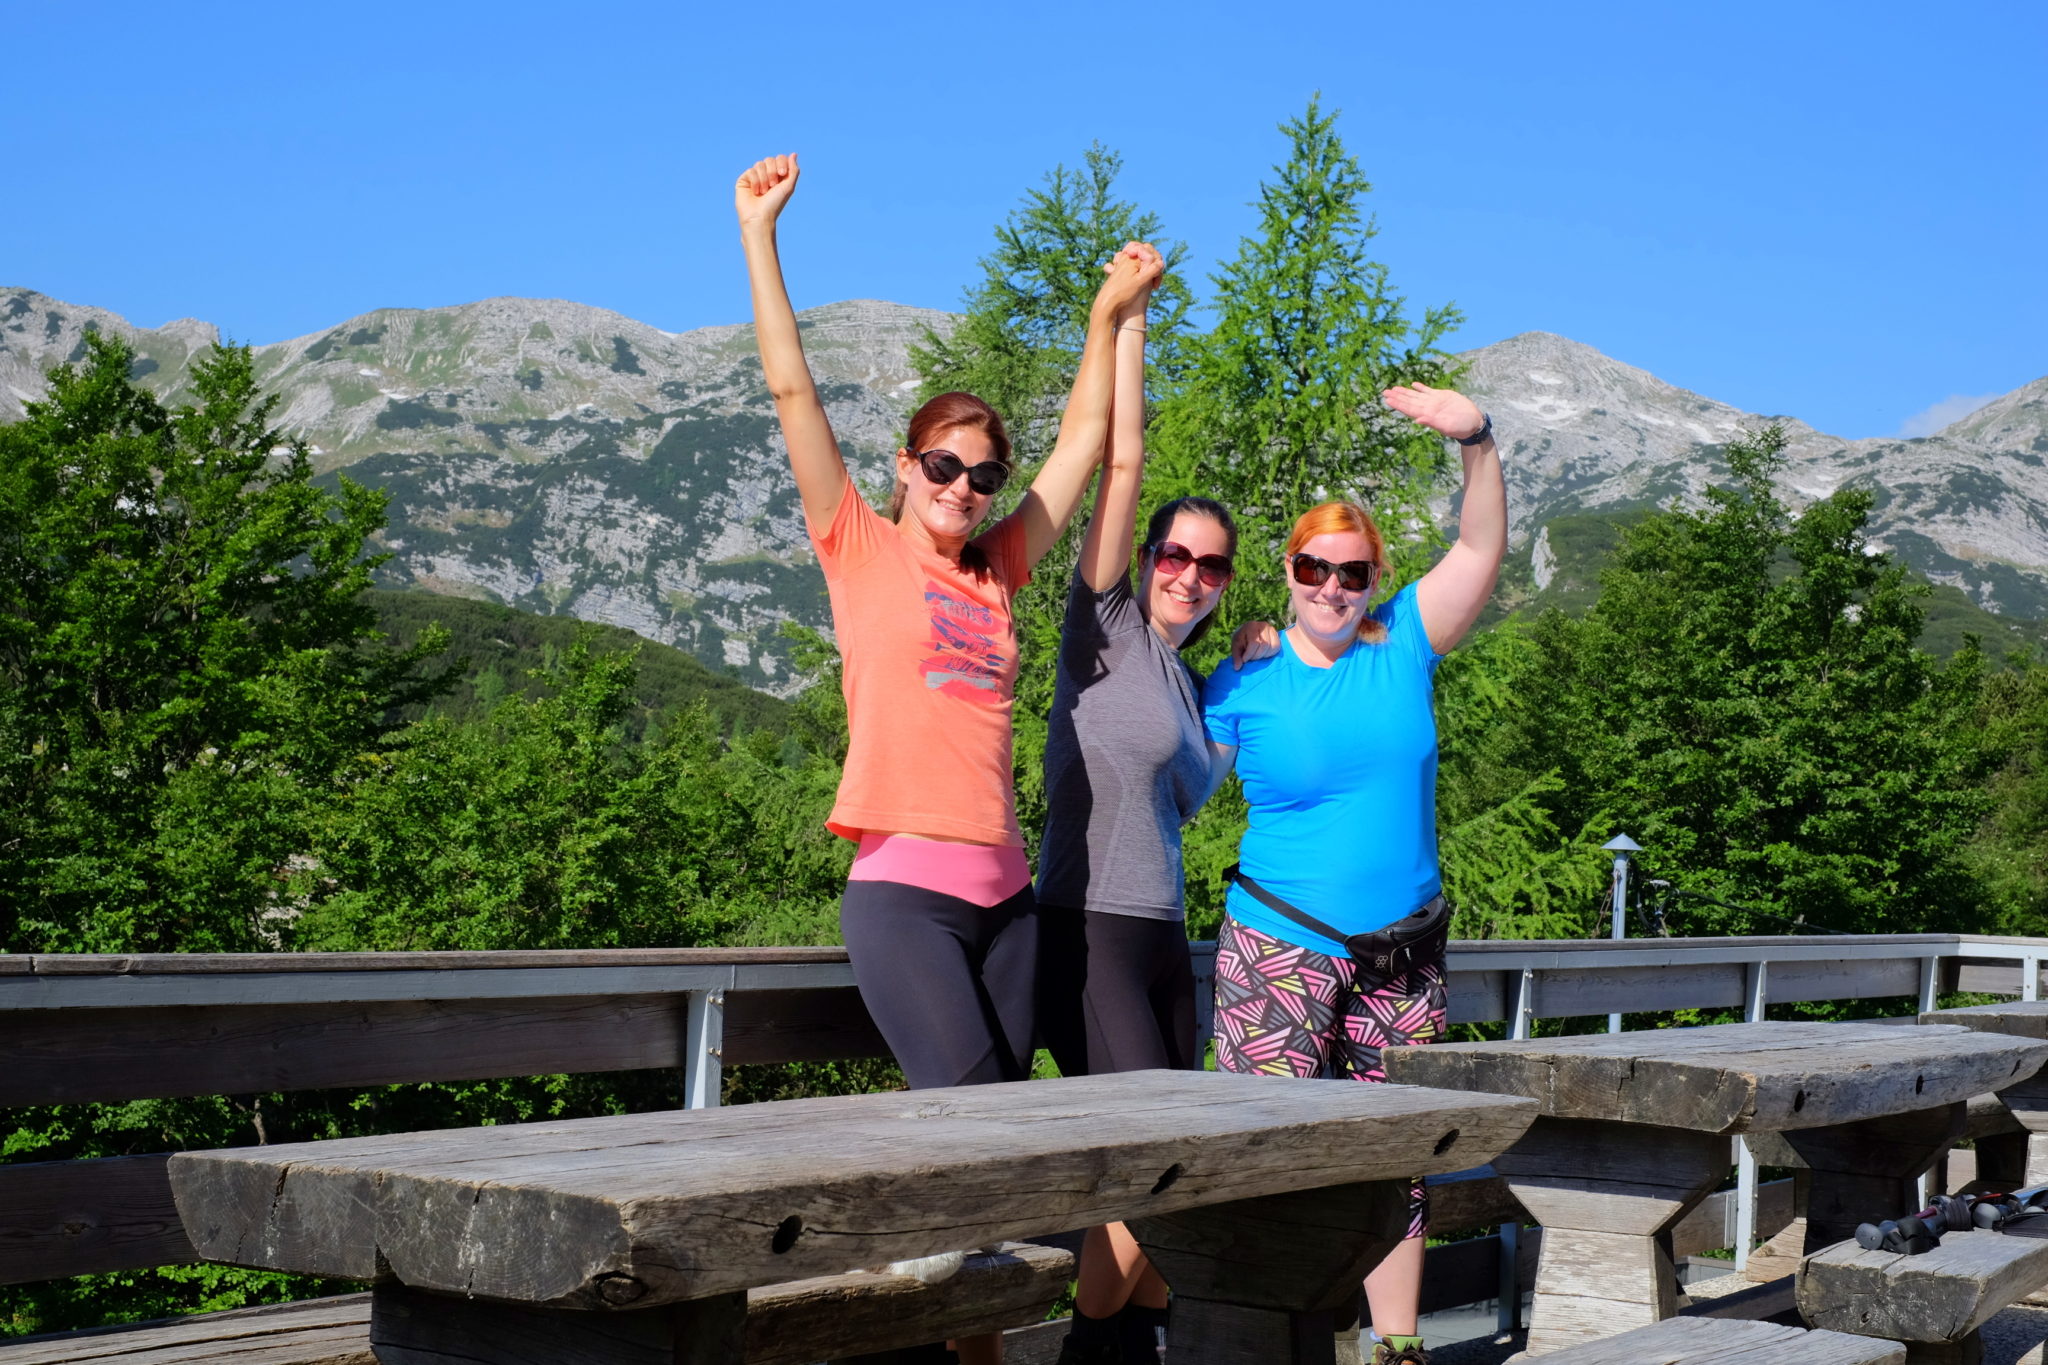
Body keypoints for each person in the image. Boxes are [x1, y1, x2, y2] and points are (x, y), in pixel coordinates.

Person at [734, 151, 1161, 1094]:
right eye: (942, 467)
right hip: (904, 898)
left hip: (1008, 898)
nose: (961, 488)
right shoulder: (857, 544)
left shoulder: (996, 569)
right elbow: (792, 394)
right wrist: (761, 238)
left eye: (982, 476)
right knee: (972, 1118)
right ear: (904, 465)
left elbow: (1085, 445)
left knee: (1006, 1139)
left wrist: (1109, 317)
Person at [1204, 385, 1505, 1365]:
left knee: (1397, 1158)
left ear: (1374, 577)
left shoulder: (1404, 641)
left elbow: (1476, 551)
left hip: (1401, 953)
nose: (1330, 588)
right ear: (1286, 572)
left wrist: (1475, 442)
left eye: (1349, 572)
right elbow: (1172, 785)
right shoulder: (1242, 678)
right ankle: (1267, 1343)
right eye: (1311, 568)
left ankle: (1395, 1348)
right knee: (1259, 1155)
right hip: (1275, 948)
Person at [1034, 267, 1233, 1364]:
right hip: (1092, 929)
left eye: (1209, 566)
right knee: (1141, 1165)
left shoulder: (1184, 683)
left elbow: (1197, 785)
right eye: (1173, 554)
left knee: (1181, 1172)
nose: (1188, 574)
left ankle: (1135, 1348)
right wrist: (1127, 324)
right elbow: (1120, 461)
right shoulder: (1102, 632)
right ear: (1142, 559)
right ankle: (1081, 1352)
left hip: (1164, 939)